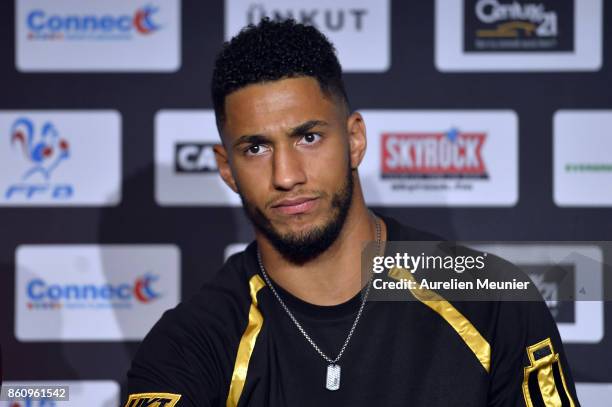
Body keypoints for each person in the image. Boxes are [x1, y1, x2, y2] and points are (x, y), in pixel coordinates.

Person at [124, 19, 579, 407]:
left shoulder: (493, 302)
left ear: (355, 139)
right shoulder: (188, 345)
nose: (286, 176)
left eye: (309, 137)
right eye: (257, 147)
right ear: (227, 168)